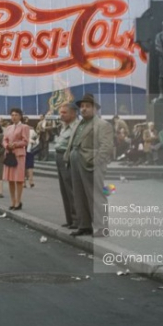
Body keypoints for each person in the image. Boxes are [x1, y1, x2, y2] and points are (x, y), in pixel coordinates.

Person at [65, 92, 114, 237]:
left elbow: (106, 147)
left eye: (87, 106)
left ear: (95, 109)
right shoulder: (79, 124)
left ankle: (102, 227)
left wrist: (96, 162)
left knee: (96, 195)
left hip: (91, 163)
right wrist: (68, 157)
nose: (84, 109)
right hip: (76, 161)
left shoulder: (102, 124)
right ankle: (84, 225)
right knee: (79, 195)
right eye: (82, 106)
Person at [53, 101, 79, 229]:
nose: (61, 115)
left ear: (73, 113)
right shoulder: (64, 125)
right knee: (64, 190)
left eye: (64, 112)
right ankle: (69, 219)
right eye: (60, 113)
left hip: (67, 157)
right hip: (59, 156)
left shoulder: (77, 126)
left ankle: (76, 219)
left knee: (71, 189)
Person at [3, 107, 31, 210]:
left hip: (19, 154)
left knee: (18, 179)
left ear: (20, 116)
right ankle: (13, 201)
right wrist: (6, 145)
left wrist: (15, 144)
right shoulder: (8, 127)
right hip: (9, 154)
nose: (14, 117)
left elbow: (25, 141)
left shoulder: (24, 127)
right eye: (12, 115)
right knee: (10, 179)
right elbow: (4, 140)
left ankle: (18, 201)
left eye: (16, 115)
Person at [23, 118, 37, 188]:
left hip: (29, 150)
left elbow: (36, 140)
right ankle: (23, 182)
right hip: (22, 150)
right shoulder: (20, 129)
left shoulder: (31, 131)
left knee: (30, 166)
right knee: (23, 166)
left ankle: (31, 181)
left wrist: (31, 142)